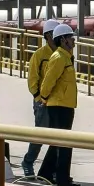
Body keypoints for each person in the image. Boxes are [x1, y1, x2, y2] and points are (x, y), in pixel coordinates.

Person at [35, 25, 79, 186]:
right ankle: (62, 178)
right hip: (59, 106)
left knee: (58, 142)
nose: (73, 40)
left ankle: (45, 173)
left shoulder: (65, 56)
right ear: (63, 40)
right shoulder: (59, 57)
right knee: (64, 142)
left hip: (64, 105)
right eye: (71, 38)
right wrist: (43, 98)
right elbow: (48, 80)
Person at [20, 21, 58, 178]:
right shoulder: (40, 55)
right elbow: (32, 79)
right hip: (43, 102)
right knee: (40, 135)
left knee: (58, 137)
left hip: (59, 103)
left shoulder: (64, 54)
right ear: (48, 35)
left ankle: (53, 170)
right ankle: (28, 162)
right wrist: (39, 98)